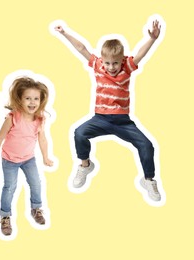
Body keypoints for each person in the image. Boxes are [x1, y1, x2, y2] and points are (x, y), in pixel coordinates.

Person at [53, 17, 163, 203]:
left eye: (115, 63)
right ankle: (85, 165)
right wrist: (64, 33)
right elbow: (82, 49)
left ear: (122, 61)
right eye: (107, 63)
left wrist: (152, 39)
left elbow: (139, 55)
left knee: (146, 145)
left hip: (123, 122)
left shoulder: (127, 68)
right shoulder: (98, 66)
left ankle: (148, 180)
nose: (111, 67)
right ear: (102, 61)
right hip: (100, 119)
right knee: (79, 133)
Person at [0, 76, 54, 237]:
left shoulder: (39, 119)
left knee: (36, 183)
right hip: (9, 160)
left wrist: (45, 157)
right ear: (20, 99)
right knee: (9, 187)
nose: (32, 102)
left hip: (29, 159)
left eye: (36, 99)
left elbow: (42, 139)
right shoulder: (12, 118)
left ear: (41, 100)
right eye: (28, 98)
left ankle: (36, 208)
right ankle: (5, 216)